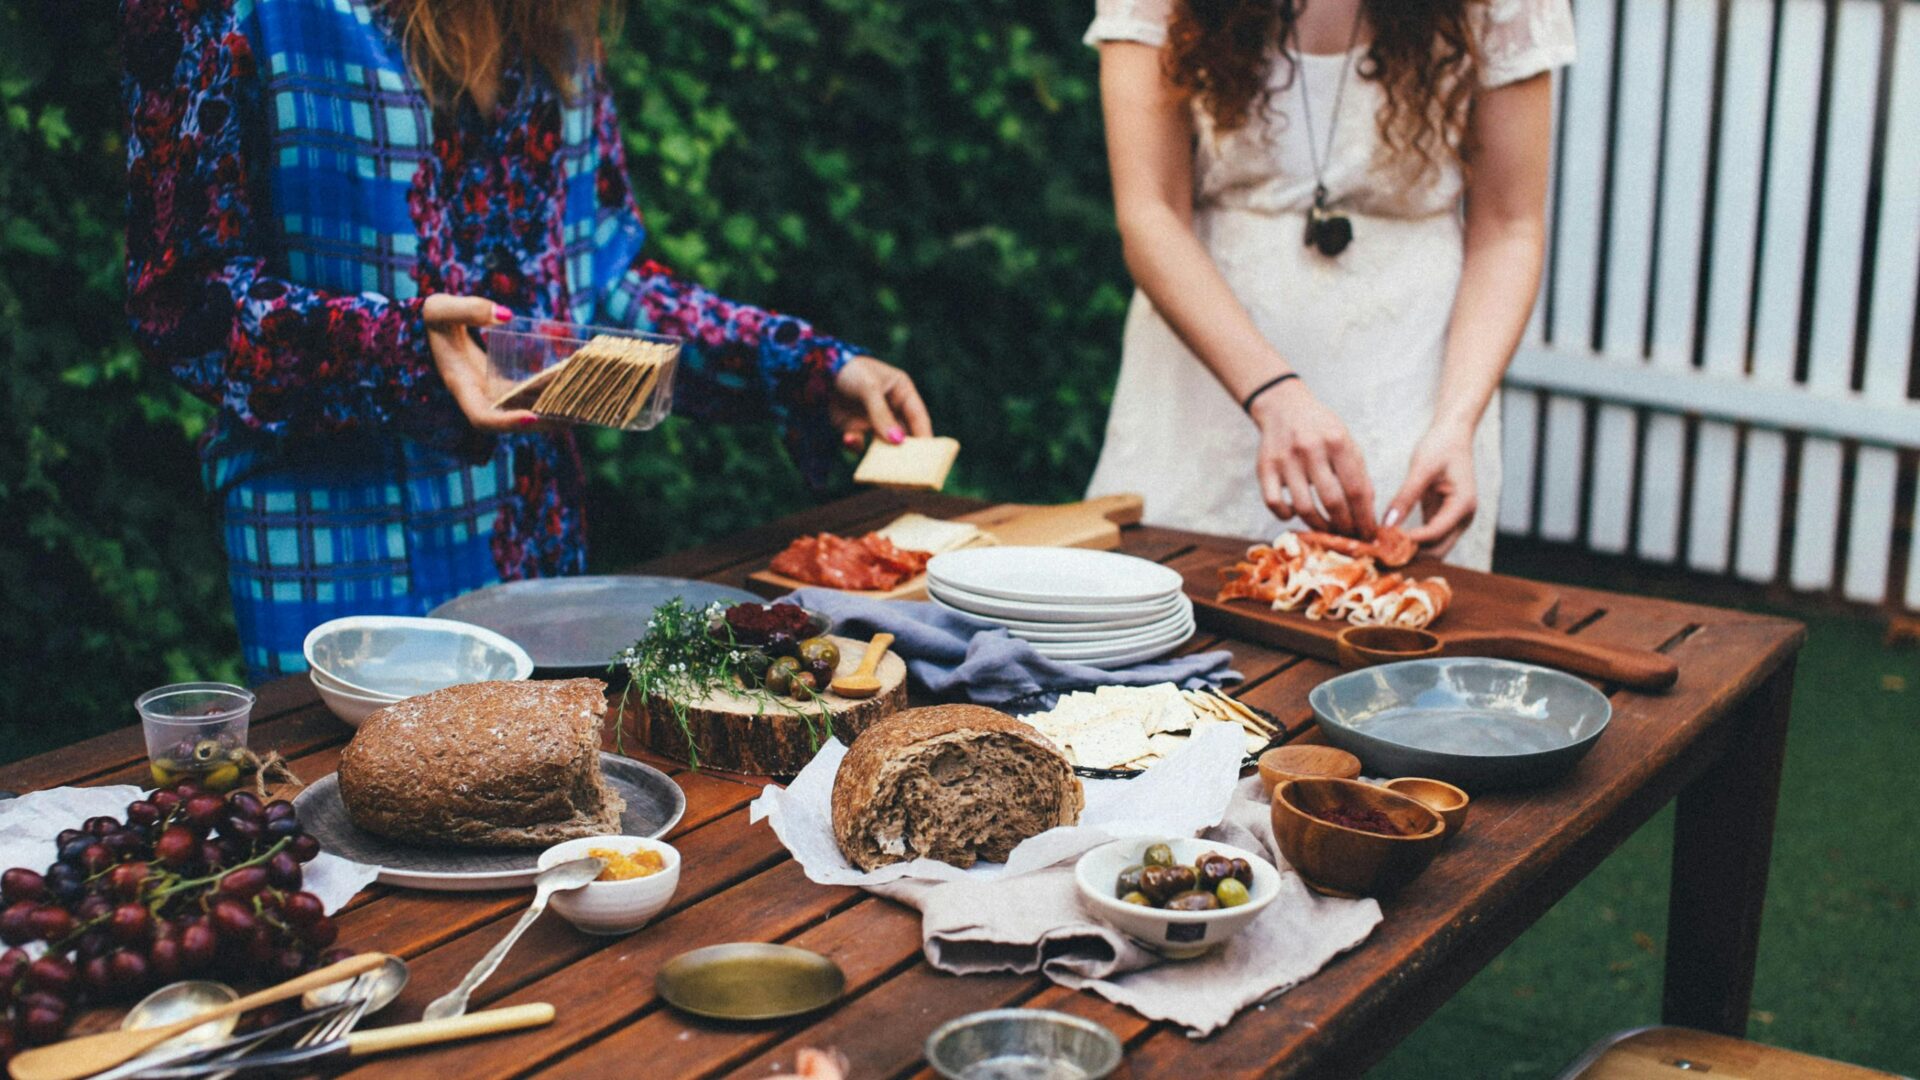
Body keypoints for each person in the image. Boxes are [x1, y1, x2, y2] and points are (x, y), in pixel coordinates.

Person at [122, 0, 931, 680]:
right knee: (368, 834)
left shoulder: (558, 19)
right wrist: (396, 350)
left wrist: (805, 367)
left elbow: (606, 283)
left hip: (540, 562)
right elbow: (180, 296)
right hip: (342, 553)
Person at [1083, 0, 1572, 566]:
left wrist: (1456, 420)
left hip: (1412, 398)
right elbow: (1151, 213)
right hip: (1204, 393)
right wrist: (1272, 396)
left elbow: (1508, 227)